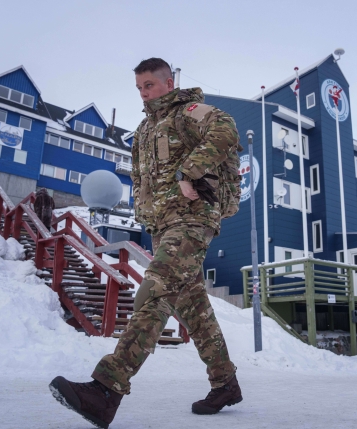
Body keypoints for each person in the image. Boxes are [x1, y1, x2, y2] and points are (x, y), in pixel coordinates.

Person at [49, 58, 242, 428]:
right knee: (195, 311)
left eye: (149, 85)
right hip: (163, 226)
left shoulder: (187, 111)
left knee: (154, 292)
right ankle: (225, 383)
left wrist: (190, 171)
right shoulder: (144, 128)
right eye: (139, 87)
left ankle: (107, 388)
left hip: (192, 219)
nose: (143, 93)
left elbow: (225, 128)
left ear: (168, 83)